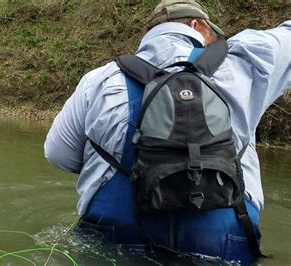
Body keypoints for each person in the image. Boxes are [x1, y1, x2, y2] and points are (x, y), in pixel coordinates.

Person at [44, 0, 290, 263]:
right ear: (197, 25)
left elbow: (58, 155)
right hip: (220, 246)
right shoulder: (246, 59)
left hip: (117, 240)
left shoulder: (99, 80)